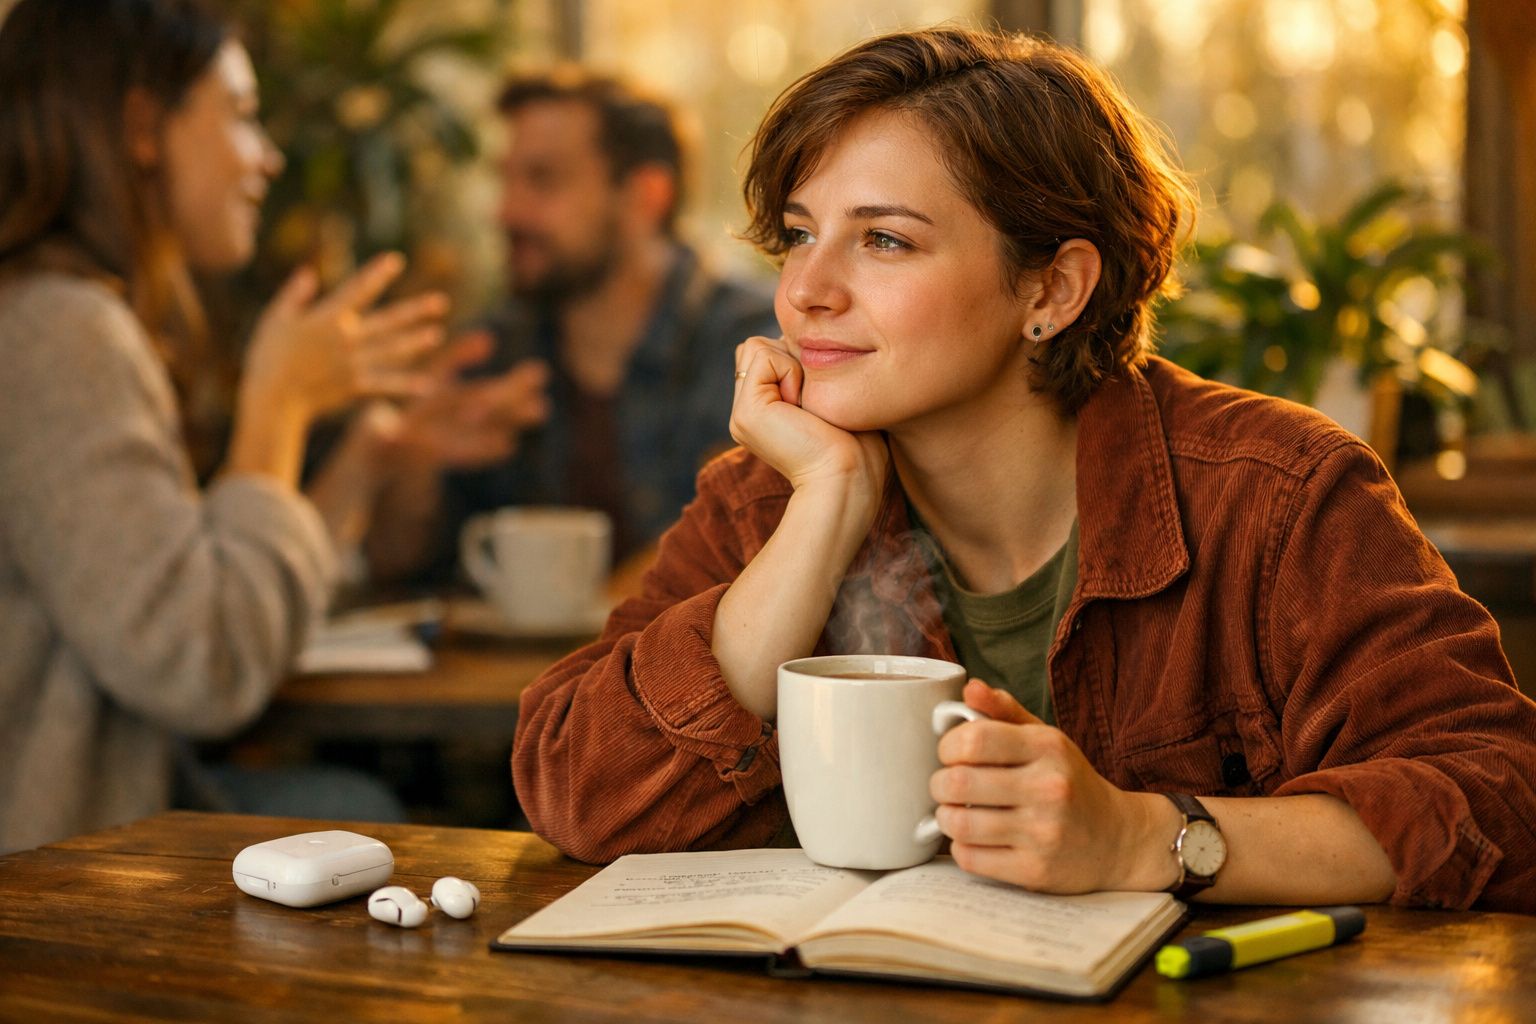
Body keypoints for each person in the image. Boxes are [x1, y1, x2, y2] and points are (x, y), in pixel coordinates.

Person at [511, 27, 1536, 913]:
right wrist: (822, 510)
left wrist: (1142, 839)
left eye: (885, 240)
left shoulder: (1277, 492)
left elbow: (1500, 798)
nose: (806, 291)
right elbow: (571, 789)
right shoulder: (769, 495)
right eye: (798, 235)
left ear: (1052, 288)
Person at [0, 0, 446, 852]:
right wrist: (275, 406)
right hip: (52, 883)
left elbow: (210, 596)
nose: (267, 157)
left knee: (355, 804)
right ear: (140, 126)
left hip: (96, 826)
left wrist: (365, 448)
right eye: (240, 115)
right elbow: (204, 664)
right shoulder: (55, 329)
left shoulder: (51, 314)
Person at [357, 69, 779, 583]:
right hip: (518, 666)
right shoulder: (494, 350)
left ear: (646, 195)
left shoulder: (755, 346)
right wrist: (411, 462)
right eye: (505, 179)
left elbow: (763, 559)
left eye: (542, 179)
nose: (506, 211)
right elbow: (400, 568)